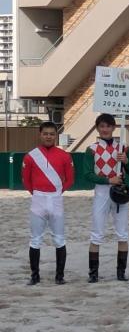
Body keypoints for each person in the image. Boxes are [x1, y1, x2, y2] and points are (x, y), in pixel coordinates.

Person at [83, 113, 129, 283]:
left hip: (119, 192)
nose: (105, 129)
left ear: (114, 128)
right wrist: (108, 180)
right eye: (102, 126)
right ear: (98, 128)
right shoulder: (91, 148)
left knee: (122, 233)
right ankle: (93, 274)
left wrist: (126, 161)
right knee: (97, 232)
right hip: (101, 192)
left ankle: (121, 273)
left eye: (108, 126)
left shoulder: (123, 147)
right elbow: (87, 174)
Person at [22, 122, 75, 285]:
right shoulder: (30, 156)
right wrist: (38, 193)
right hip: (38, 199)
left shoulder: (65, 155)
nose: (48, 136)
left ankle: (60, 276)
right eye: (45, 133)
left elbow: (70, 179)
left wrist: (57, 192)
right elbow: (26, 180)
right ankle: (35, 276)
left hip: (56, 199)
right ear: (40, 134)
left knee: (59, 239)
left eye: (52, 134)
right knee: (35, 239)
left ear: (56, 135)